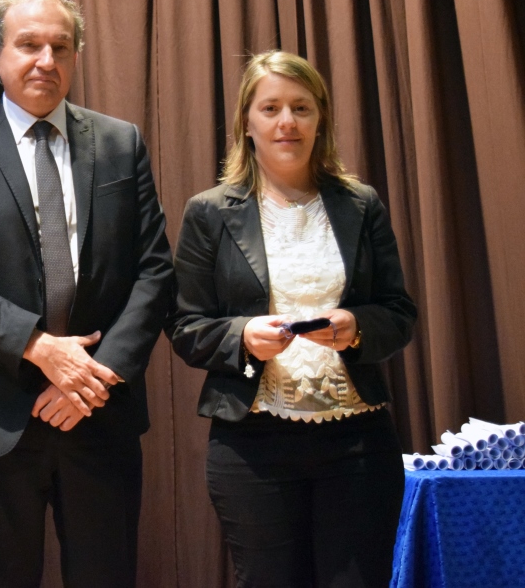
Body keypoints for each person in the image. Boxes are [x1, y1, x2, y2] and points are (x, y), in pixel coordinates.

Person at [0, 0, 173, 587]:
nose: (46, 61)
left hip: (98, 415)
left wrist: (94, 376)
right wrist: (40, 347)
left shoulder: (119, 142)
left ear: (77, 55)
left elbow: (154, 269)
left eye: (61, 46)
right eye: (28, 44)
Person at [166, 50, 417, 587]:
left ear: (320, 118)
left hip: (357, 443)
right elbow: (186, 328)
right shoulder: (208, 212)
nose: (287, 122)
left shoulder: (360, 203)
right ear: (246, 122)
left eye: (301, 107)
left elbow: (399, 313)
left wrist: (357, 326)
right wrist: (241, 336)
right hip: (252, 446)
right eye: (271, 107)